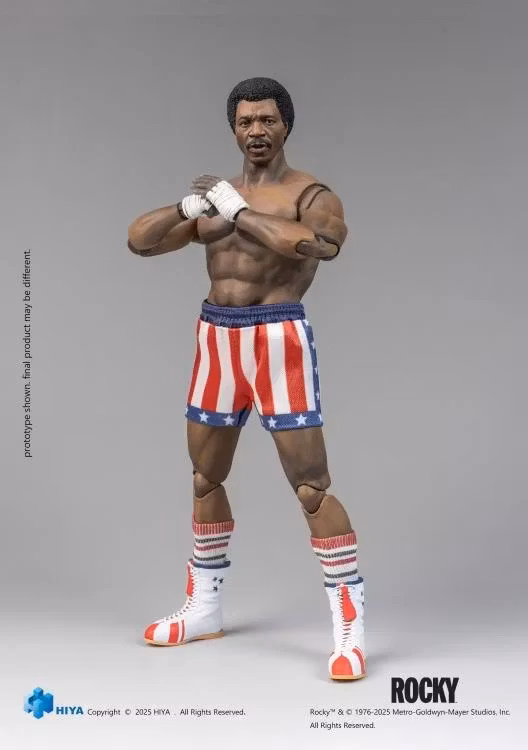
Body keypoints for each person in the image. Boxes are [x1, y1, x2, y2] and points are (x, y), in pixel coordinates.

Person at [127, 77, 366, 680]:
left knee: (311, 486)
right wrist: (187, 209)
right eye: (245, 121)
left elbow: (316, 246)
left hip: (277, 336)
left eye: (266, 120)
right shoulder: (216, 199)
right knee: (205, 476)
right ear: (233, 129)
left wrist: (240, 213)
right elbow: (139, 243)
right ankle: (204, 608)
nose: (256, 130)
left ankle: (350, 628)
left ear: (286, 125)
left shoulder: (310, 193)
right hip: (217, 336)